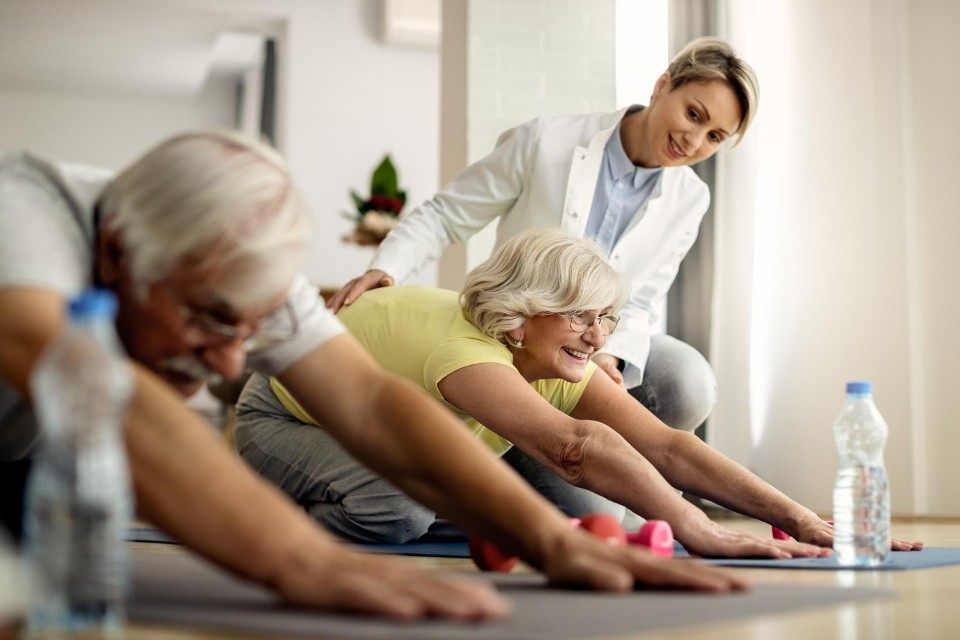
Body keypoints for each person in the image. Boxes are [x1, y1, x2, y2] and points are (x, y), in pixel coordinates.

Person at [0, 131, 749, 621]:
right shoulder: (23, 221)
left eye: (247, 331)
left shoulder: (245, 266)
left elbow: (369, 402)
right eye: (209, 321)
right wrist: (300, 559)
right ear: (118, 252)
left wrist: (548, 540)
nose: (230, 362)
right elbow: (101, 399)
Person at [239, 229, 922, 556]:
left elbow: (667, 447)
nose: (598, 338)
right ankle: (274, 512)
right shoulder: (469, 352)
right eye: (579, 316)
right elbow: (572, 448)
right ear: (523, 310)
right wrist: (700, 530)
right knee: (397, 510)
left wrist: (802, 515)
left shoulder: (549, 351)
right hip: (284, 415)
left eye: (607, 318)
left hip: (407, 424)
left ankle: (444, 498)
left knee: (616, 520)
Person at [327, 37, 757, 510]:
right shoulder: (545, 141)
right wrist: (385, 269)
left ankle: (628, 478)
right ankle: (509, 459)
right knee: (599, 517)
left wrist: (608, 356)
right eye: (694, 114)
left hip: (593, 347)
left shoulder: (690, 199)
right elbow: (446, 214)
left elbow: (642, 298)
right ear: (662, 86)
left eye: (715, 136)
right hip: (520, 345)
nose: (694, 141)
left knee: (685, 379)